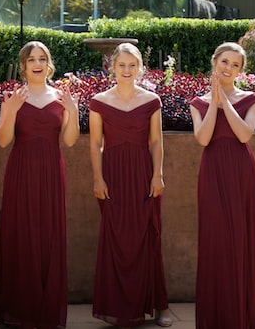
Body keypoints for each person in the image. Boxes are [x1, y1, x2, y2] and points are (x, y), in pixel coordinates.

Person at [0, 41, 79, 329]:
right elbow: (3, 140)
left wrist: (73, 110)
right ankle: (21, 309)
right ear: (23, 66)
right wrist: (10, 110)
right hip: (21, 172)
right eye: (32, 59)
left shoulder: (60, 97)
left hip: (52, 173)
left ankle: (47, 309)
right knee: (21, 233)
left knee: (49, 236)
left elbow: (68, 141)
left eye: (42, 58)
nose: (37, 63)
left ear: (49, 63)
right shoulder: (14, 97)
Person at [89, 42, 172, 328]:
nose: (126, 70)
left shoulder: (151, 100)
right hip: (112, 176)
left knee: (149, 237)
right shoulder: (98, 101)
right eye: (121, 65)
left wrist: (157, 174)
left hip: (143, 175)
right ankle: (117, 307)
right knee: (116, 239)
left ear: (140, 68)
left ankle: (159, 306)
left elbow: (156, 141)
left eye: (132, 65)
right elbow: (96, 143)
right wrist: (98, 178)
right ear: (112, 67)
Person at [189, 41, 255, 329]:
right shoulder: (197, 102)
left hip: (242, 174)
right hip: (213, 173)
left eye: (235, 65)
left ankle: (240, 317)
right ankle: (216, 317)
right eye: (224, 62)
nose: (228, 68)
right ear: (214, 62)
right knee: (216, 242)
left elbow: (245, 135)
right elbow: (203, 138)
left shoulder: (251, 99)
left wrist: (226, 103)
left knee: (241, 241)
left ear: (241, 71)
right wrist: (213, 103)